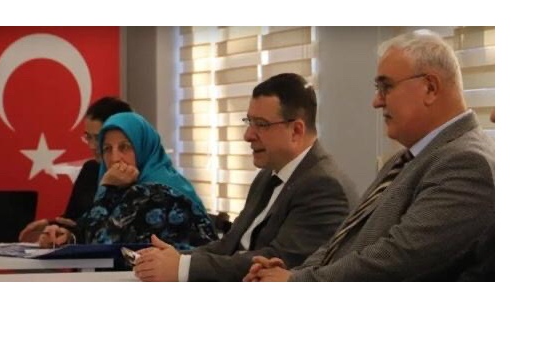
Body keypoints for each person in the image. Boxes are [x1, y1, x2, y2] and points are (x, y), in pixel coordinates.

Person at [244, 30, 495, 282]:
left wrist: (296, 282)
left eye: (386, 87)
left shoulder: (467, 162)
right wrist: (294, 273)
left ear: (430, 88)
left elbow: (398, 259)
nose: (376, 101)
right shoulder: (405, 158)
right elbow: (343, 239)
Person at [133, 73, 358, 281]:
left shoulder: (324, 186)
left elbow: (278, 262)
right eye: (249, 122)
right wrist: (175, 258)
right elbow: (229, 245)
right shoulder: (267, 175)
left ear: (296, 131)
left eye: (261, 124)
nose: (248, 135)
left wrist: (183, 267)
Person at [33, 112, 218, 249]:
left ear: (143, 148)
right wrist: (66, 237)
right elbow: (92, 230)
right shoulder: (127, 188)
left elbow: (99, 245)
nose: (115, 158)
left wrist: (107, 187)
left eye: (125, 147)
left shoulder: (155, 190)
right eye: (107, 149)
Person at [18, 97, 132, 244]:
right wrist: (53, 227)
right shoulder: (91, 170)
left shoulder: (146, 181)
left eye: (98, 138)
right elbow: (74, 220)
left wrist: (108, 185)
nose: (92, 146)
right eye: (88, 137)